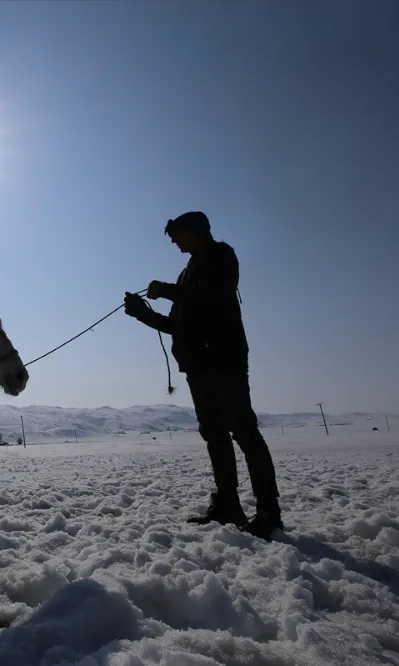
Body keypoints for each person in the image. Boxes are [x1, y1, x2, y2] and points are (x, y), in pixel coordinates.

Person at [123, 211, 283, 540]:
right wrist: (142, 314)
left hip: (224, 360)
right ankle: (228, 505)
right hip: (198, 366)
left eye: (177, 234)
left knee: (243, 432)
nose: (173, 241)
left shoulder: (221, 256)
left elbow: (213, 297)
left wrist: (165, 290)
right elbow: (176, 325)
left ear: (195, 231)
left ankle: (269, 512)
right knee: (214, 435)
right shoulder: (186, 273)